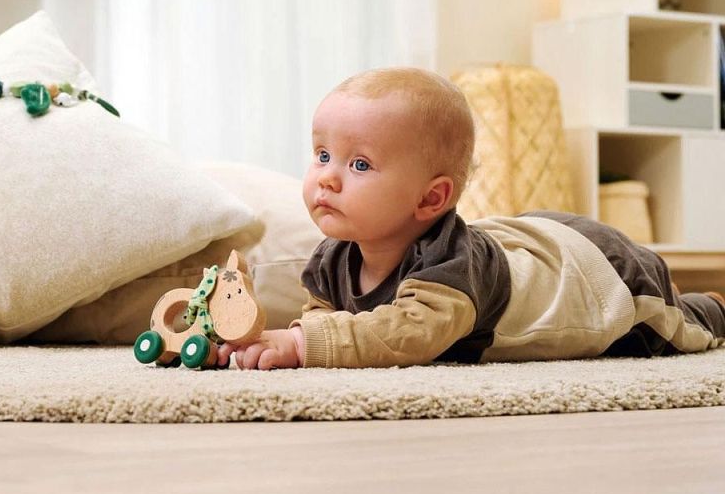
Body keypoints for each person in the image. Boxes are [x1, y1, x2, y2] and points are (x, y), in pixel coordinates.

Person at [217, 67, 725, 370]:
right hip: (524, 240)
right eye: (322, 155)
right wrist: (264, 345)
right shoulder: (334, 256)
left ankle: (714, 305)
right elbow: (327, 325)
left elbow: (413, 332)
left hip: (597, 272)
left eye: (360, 165)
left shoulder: (448, 260)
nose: (326, 178)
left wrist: (300, 344)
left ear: (430, 199)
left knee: (677, 329)